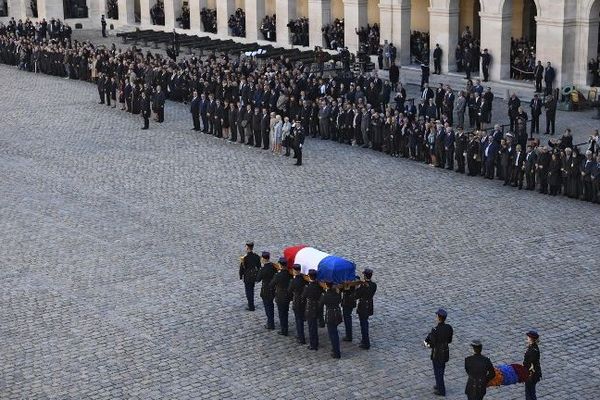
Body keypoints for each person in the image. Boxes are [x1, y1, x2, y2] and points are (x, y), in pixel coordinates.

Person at [425, 308, 453, 397]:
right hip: (445, 351)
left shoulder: (435, 330)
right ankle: (438, 384)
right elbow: (449, 340)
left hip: (437, 353)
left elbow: (432, 344)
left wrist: (427, 344)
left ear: (438, 317)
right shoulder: (449, 327)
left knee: (438, 371)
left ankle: (441, 390)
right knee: (441, 369)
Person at [320, 281, 343, 359]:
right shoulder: (337, 293)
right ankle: (335, 349)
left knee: (333, 334)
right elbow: (339, 299)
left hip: (330, 315)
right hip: (337, 313)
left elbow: (321, 303)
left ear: (326, 285)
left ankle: (336, 352)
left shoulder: (325, 295)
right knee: (334, 332)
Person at [355, 268, 376, 350]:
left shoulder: (363, 286)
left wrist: (358, 287)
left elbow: (357, 295)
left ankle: (366, 342)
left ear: (364, 276)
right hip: (369, 305)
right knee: (365, 322)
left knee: (363, 324)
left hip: (363, 306)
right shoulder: (374, 285)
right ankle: (364, 340)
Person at [255, 253, 278, 329]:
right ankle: (271, 321)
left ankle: (270, 323)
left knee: (267, 307)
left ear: (264, 259)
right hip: (273, 289)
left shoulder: (263, 269)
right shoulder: (273, 266)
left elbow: (258, 279)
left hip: (266, 290)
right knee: (271, 305)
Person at [270, 258, 291, 336]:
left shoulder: (278, 275)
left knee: (282, 314)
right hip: (287, 296)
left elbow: (271, 284)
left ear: (280, 265)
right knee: (286, 312)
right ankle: (285, 327)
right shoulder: (289, 274)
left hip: (280, 296)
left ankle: (284, 330)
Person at [302, 269, 322, 350]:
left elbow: (303, 296)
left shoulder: (308, 287)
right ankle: (315, 342)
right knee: (314, 326)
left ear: (309, 276)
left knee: (311, 327)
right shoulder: (319, 286)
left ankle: (313, 344)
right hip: (317, 307)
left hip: (310, 308)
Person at [288, 263, 307, 344]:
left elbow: (289, 290)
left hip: (297, 301)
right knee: (301, 318)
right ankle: (300, 335)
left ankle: (301, 337)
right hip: (304, 301)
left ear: (294, 271)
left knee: (298, 320)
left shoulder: (293, 281)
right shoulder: (304, 279)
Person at [239, 241, 261, 311]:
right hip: (254, 275)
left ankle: (251, 306)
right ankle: (251, 303)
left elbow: (242, 268)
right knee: (252, 289)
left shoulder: (244, 258)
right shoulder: (256, 256)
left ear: (247, 247)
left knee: (248, 291)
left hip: (247, 276)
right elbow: (259, 266)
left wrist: (240, 276)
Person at [524, 331, 542, 400]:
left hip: (531, 375)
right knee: (530, 392)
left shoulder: (533, 350)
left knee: (530, 394)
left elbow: (530, 364)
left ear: (531, 339)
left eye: (528, 337)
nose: (527, 338)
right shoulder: (532, 347)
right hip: (532, 374)